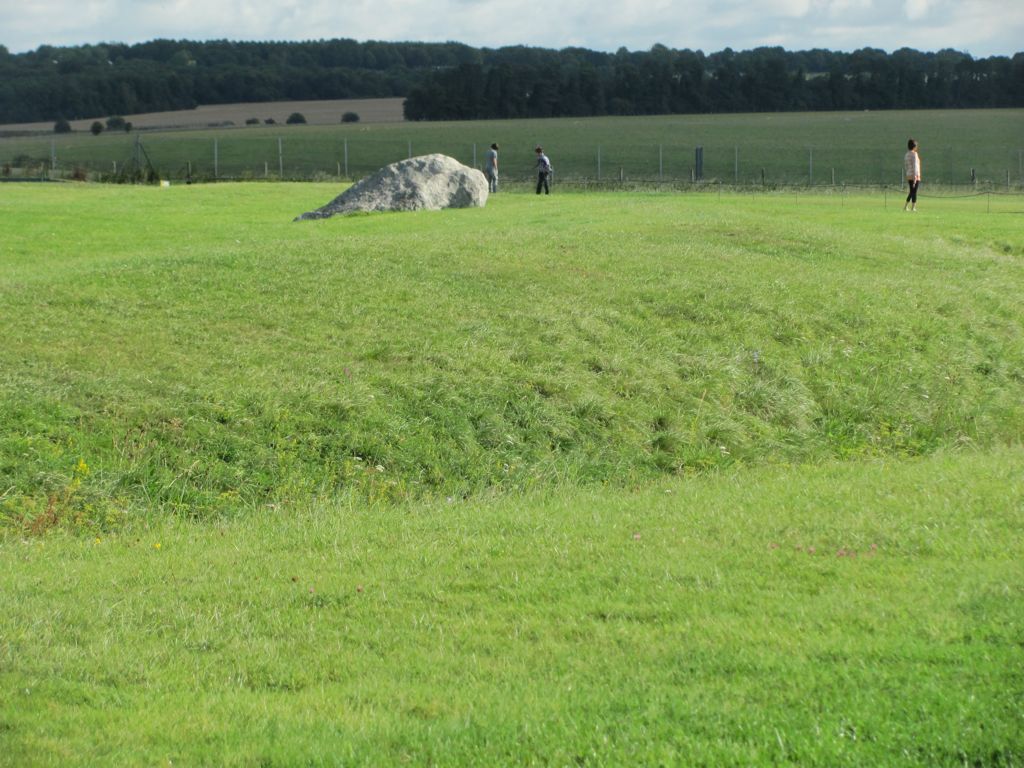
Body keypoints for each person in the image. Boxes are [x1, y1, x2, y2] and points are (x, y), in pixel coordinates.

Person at [903, 139, 921, 211]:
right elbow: (915, 166)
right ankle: (913, 207)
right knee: (914, 192)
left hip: (909, 175)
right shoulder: (914, 154)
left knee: (911, 191)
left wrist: (908, 173)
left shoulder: (906, 154)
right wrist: (915, 177)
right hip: (915, 175)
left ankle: (905, 206)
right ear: (914, 146)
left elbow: (906, 165)